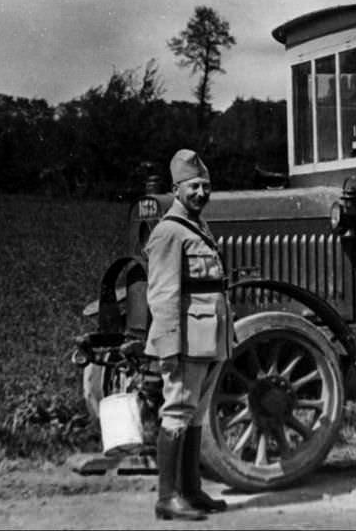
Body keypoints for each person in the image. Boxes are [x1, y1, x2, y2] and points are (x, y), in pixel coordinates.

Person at [145, 149, 235, 521]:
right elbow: (163, 295)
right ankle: (168, 498)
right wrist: (167, 347)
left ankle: (192, 491)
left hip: (207, 339)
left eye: (206, 186)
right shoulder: (169, 232)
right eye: (193, 186)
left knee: (195, 414)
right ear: (176, 189)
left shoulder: (198, 227)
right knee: (178, 411)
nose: (201, 193)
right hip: (184, 342)